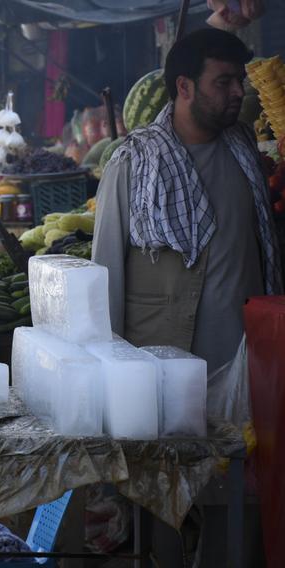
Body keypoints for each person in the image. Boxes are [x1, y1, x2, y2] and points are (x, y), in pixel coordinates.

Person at [92, 29, 278, 566]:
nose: (237, 92)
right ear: (184, 87)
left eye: (239, 80)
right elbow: (106, 275)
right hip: (160, 375)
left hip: (241, 370)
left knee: (237, 515)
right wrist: (110, 376)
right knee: (162, 516)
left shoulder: (244, 153)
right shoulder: (133, 163)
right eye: (223, 82)